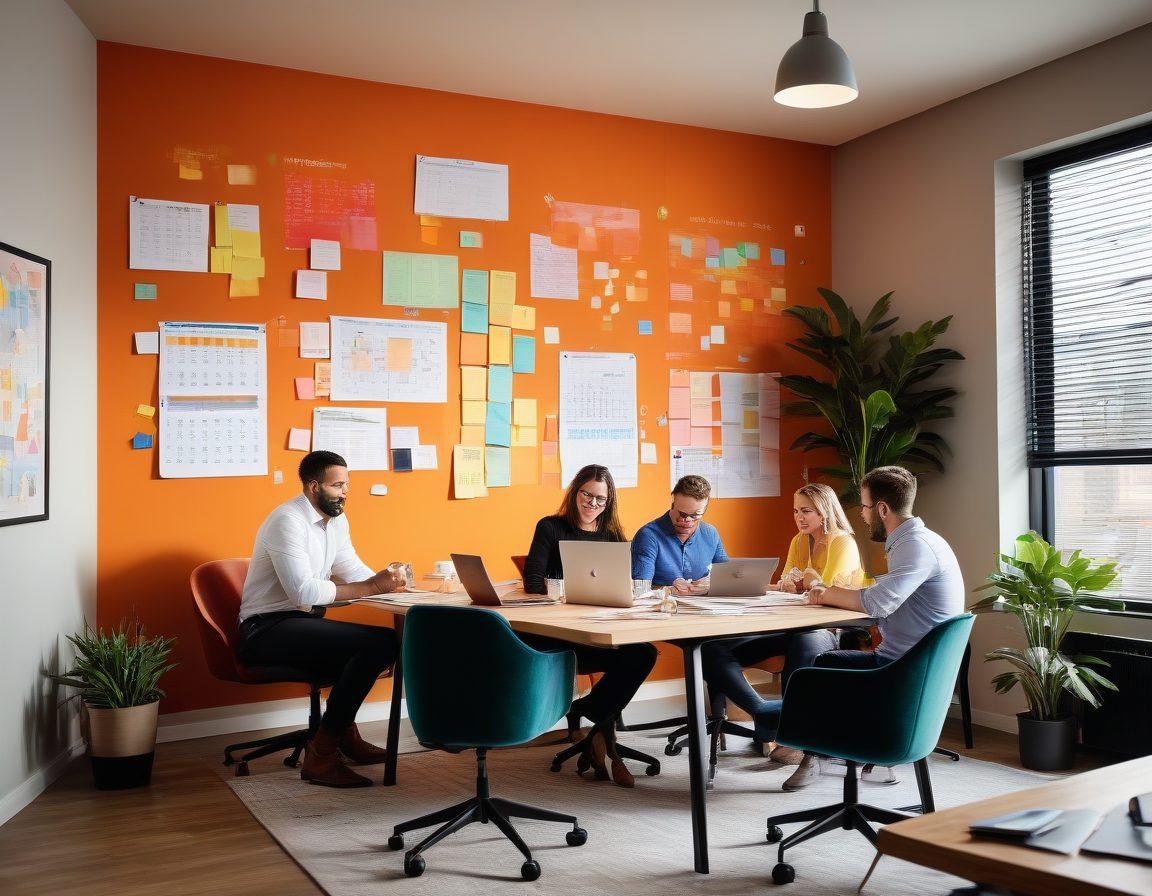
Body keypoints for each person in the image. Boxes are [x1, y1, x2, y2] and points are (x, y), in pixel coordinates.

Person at [776, 465, 965, 790]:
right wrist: (845, 593)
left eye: (864, 506)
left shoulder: (915, 546)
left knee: (817, 670)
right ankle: (835, 753)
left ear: (881, 508)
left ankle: (813, 753)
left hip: (903, 669)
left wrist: (827, 592)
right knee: (825, 663)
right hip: (914, 661)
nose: (862, 515)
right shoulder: (917, 541)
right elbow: (888, 595)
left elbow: (879, 603)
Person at [238, 450, 404, 789]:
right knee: (380, 643)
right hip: (265, 629)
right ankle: (322, 755)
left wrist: (392, 586)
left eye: (347, 484)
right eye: (338, 485)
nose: (345, 492)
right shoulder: (287, 520)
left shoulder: (336, 521)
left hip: (302, 624)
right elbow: (303, 592)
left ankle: (342, 734)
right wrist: (371, 586)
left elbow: (352, 569)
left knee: (378, 644)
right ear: (314, 486)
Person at [700, 483, 864, 762]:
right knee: (710, 647)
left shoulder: (842, 541)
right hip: (790, 623)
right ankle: (765, 715)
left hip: (827, 628)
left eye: (806, 511)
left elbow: (826, 593)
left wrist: (807, 582)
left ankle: (793, 733)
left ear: (824, 512)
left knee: (805, 640)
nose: (799, 517)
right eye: (796, 511)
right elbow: (790, 583)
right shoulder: (799, 541)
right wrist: (790, 584)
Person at [520, 464, 658, 788]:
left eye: (600, 499)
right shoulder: (551, 527)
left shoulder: (612, 536)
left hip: (599, 631)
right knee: (633, 659)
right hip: (560, 636)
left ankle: (587, 715)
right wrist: (567, 591)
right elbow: (532, 581)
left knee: (643, 654)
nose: (592, 504)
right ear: (575, 492)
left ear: (608, 502)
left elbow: (622, 584)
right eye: (587, 495)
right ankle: (604, 740)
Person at [631, 475, 728, 592]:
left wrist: (711, 583)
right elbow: (639, 590)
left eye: (695, 515)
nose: (687, 520)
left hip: (703, 605)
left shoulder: (710, 533)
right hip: (662, 606)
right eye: (682, 514)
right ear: (673, 500)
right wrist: (668, 590)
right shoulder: (648, 536)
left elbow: (728, 576)